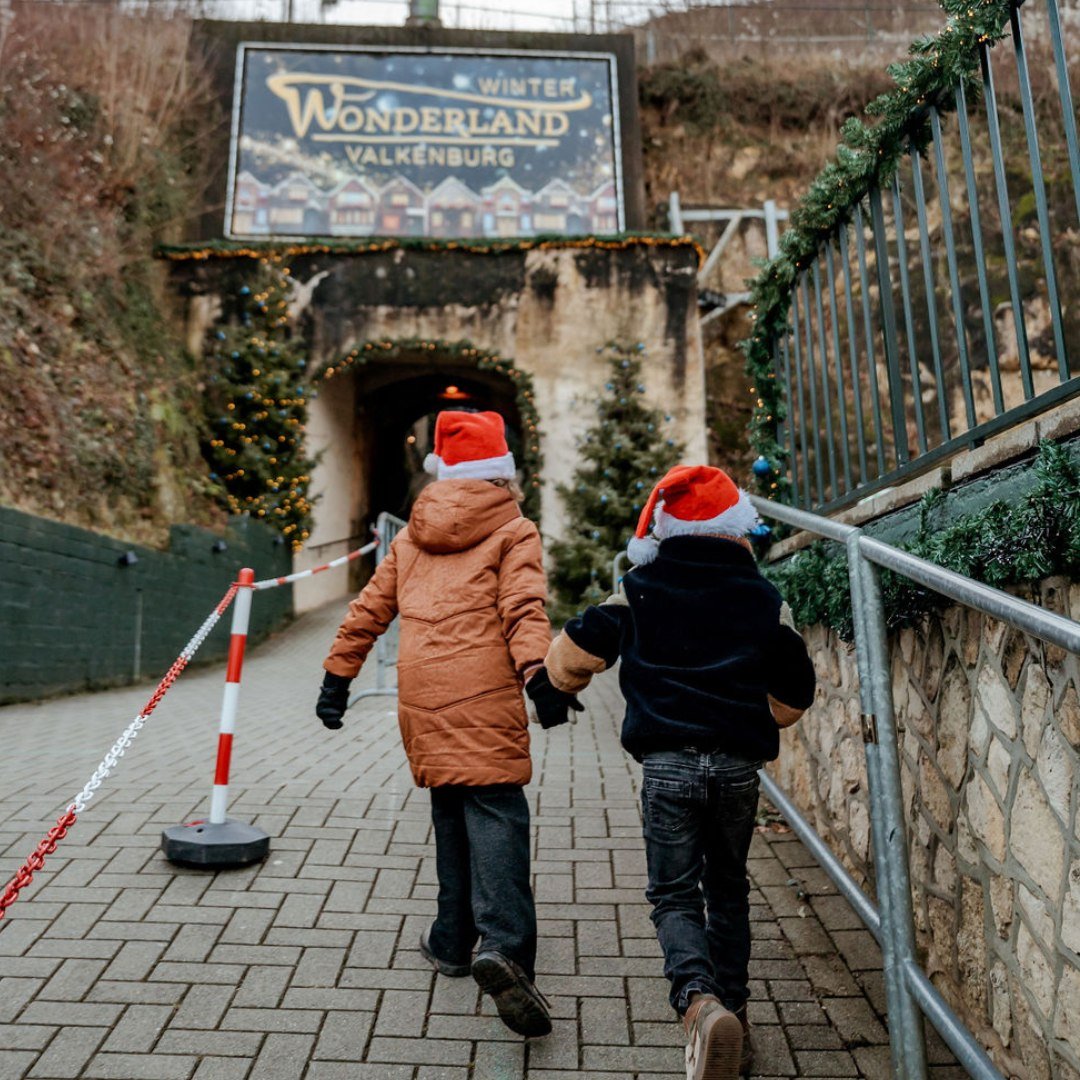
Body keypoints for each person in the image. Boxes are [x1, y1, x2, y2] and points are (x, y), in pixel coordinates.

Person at [537, 464, 816, 1080]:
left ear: (666, 529)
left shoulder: (640, 587)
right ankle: (734, 1018)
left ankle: (697, 1002)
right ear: (736, 528)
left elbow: (573, 651)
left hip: (666, 766)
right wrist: (759, 710)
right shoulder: (765, 598)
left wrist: (561, 684)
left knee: (673, 894)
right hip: (737, 768)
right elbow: (794, 695)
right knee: (728, 890)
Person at [315, 410, 580, 1039]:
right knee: (496, 814)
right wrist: (539, 676)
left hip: (423, 697)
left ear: (443, 472)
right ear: (503, 473)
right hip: (483, 694)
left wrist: (336, 678)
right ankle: (506, 950)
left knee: (450, 811)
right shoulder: (514, 529)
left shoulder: (410, 536)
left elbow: (368, 610)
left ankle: (452, 940)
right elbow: (523, 608)